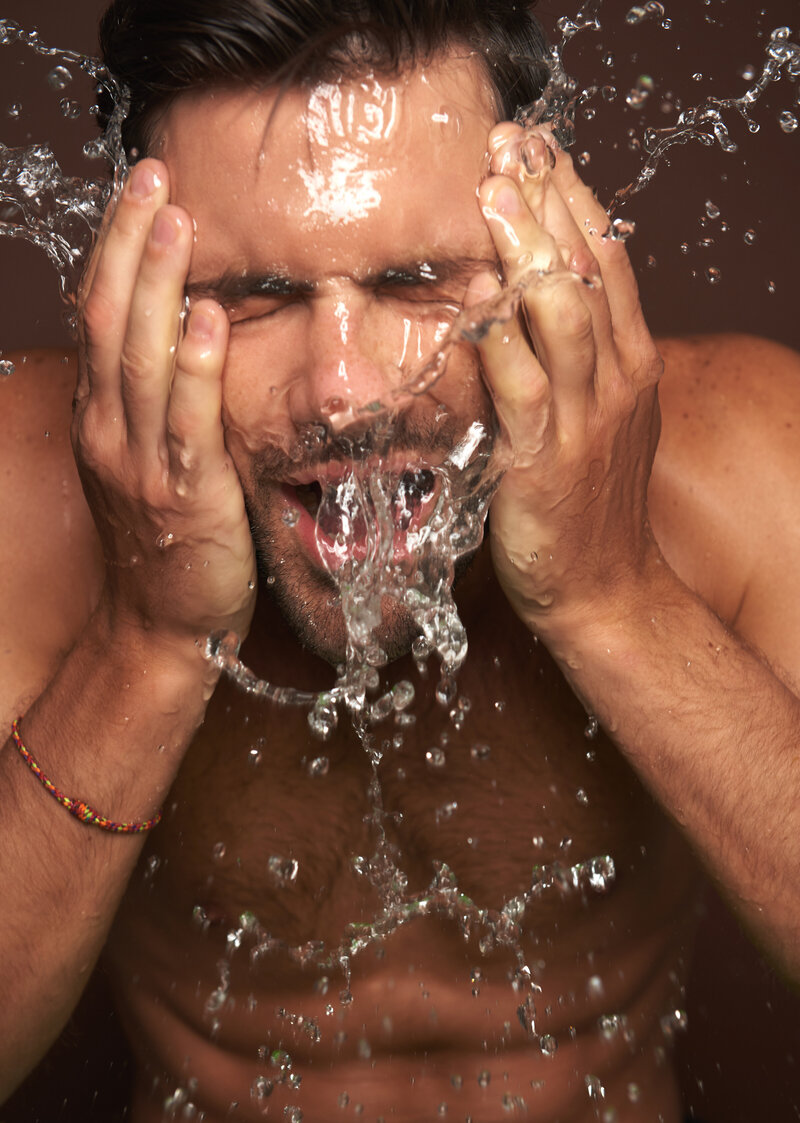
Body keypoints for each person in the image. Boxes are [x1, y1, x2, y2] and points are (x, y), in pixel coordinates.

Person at [1, 1, 798, 1119]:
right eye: (252, 298)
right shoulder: (22, 498)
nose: (345, 389)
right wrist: (149, 640)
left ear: (549, 253)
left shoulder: (752, 452)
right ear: (130, 300)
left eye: (418, 280)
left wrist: (613, 599)